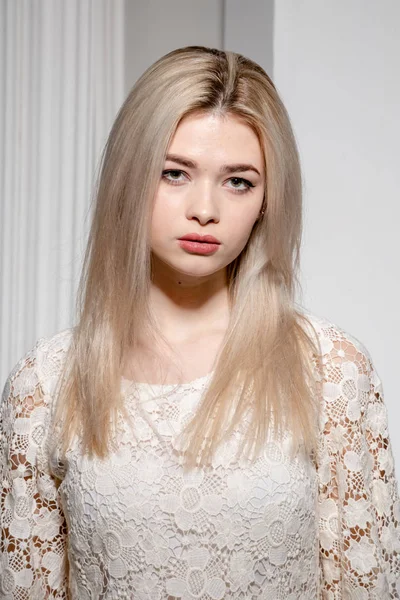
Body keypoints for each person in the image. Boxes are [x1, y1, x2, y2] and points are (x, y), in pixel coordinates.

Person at [0, 45, 399, 599]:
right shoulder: (44, 384)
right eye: (174, 173)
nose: (205, 208)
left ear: (267, 201)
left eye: (238, 181)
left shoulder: (331, 370)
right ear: (128, 178)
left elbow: (367, 587)